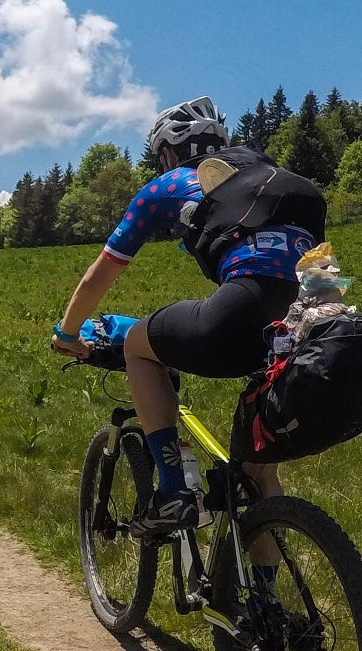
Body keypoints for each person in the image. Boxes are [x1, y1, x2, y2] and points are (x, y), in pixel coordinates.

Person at [51, 96, 327, 580]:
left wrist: (67, 333)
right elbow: (313, 270)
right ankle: (262, 608)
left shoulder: (167, 186)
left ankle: (175, 489)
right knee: (260, 473)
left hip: (241, 311)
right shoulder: (270, 177)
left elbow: (101, 273)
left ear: (170, 153)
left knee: (139, 344)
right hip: (312, 324)